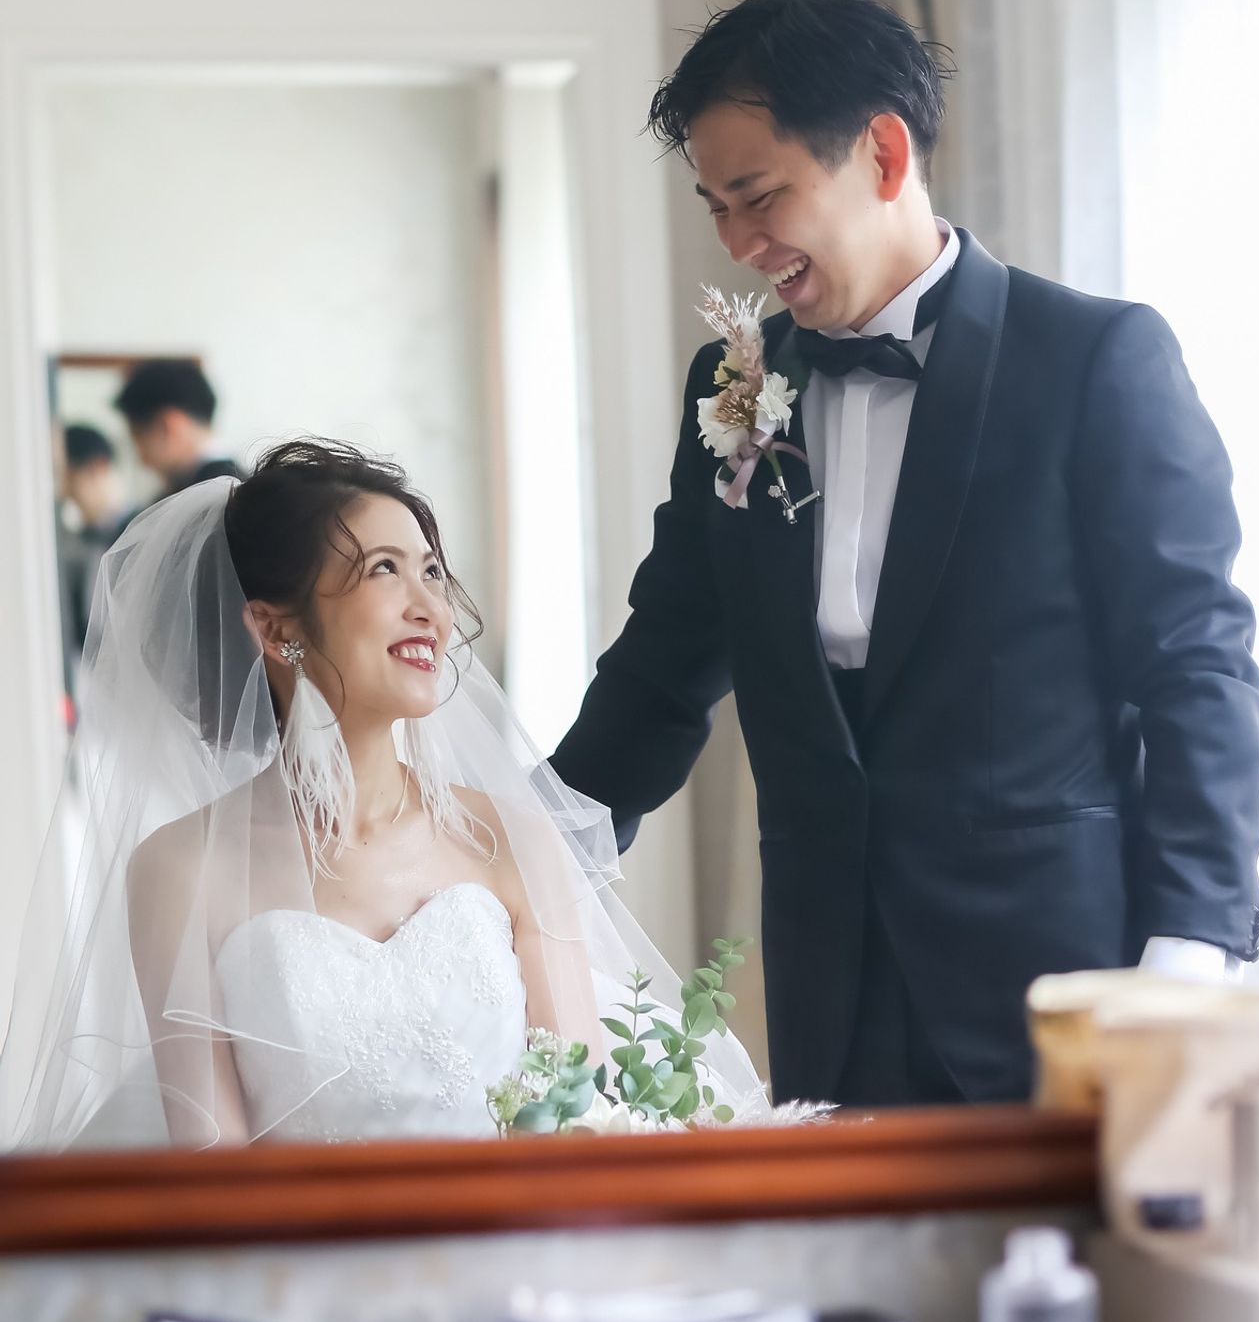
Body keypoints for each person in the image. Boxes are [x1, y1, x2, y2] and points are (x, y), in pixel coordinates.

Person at [552, 0, 1259, 1110]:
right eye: (715, 208)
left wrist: (1191, 944)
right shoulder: (735, 384)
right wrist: (529, 846)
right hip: (828, 992)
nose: (737, 244)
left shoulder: (1093, 360)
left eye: (758, 197)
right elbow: (667, 655)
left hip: (1063, 987)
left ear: (882, 154)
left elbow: (1195, 666)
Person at [0, 441, 763, 1149]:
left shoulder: (513, 838)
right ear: (274, 628)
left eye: (430, 570)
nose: (430, 606)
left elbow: (581, 1121)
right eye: (384, 570)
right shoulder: (176, 868)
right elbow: (215, 1171)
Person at [114, 359, 243, 496]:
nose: (142, 460)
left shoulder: (207, 494)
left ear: (167, 427)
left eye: (138, 439)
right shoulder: (242, 485)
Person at [60, 424, 131, 651]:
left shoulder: (137, 532)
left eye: (64, 474)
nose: (61, 489)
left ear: (96, 468)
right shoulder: (80, 542)